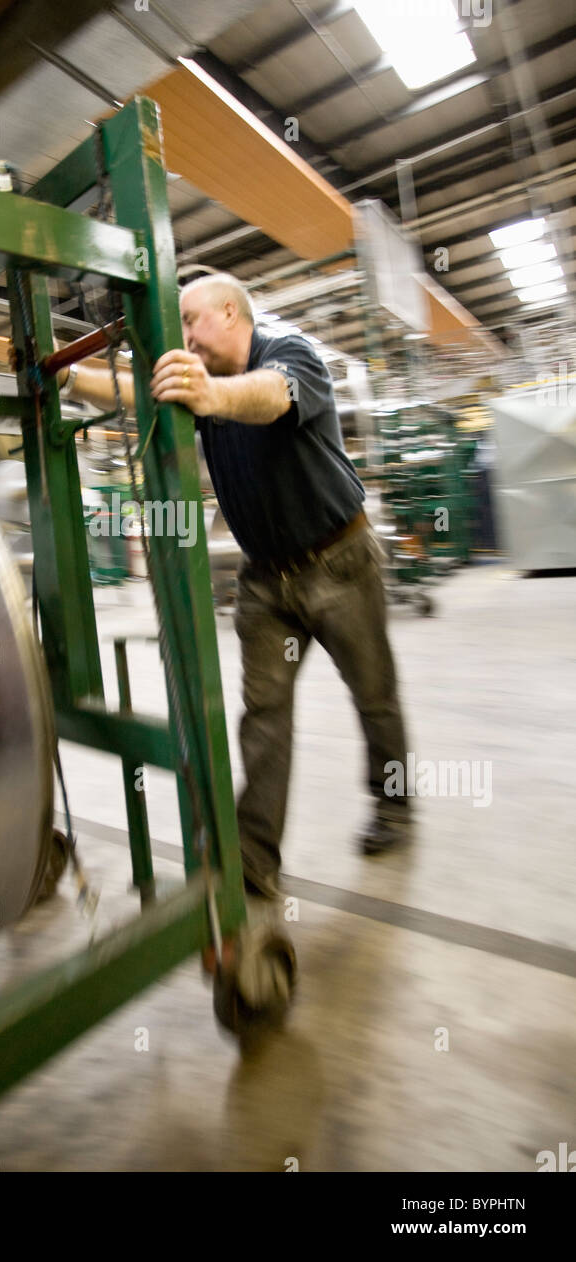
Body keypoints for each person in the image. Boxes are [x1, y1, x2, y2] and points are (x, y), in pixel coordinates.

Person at [58, 273, 411, 898]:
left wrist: (211, 396)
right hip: (265, 584)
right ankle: (254, 860)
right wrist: (63, 376)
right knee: (265, 719)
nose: (184, 336)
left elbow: (274, 397)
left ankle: (394, 806)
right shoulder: (203, 386)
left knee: (373, 695)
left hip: (339, 562)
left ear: (230, 311)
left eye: (192, 321)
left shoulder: (289, 352)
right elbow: (137, 394)